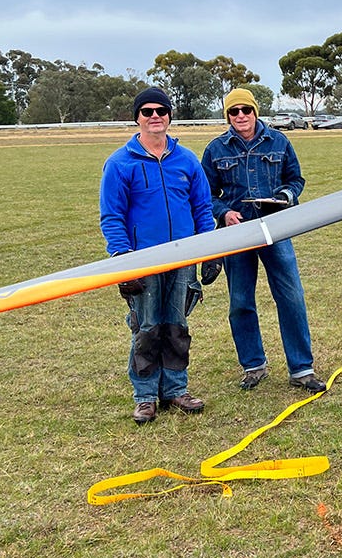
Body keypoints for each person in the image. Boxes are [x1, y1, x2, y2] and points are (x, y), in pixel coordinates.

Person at [100, 86, 215, 424]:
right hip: (143, 260)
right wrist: (124, 261)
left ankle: (176, 390)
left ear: (169, 117)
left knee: (177, 325)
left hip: (183, 259)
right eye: (147, 111)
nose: (154, 116)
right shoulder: (120, 164)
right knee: (147, 327)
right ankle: (146, 396)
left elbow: (202, 208)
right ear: (136, 117)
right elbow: (112, 216)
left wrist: (210, 250)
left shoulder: (187, 160)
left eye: (161, 111)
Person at [199, 88, 326, 394]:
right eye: (234, 111)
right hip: (237, 234)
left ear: (255, 111)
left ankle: (301, 369)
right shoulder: (216, 149)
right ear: (227, 116)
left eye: (246, 109)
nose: (240, 116)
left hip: (275, 229)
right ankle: (253, 366)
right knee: (240, 301)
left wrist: (285, 196)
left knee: (291, 296)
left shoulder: (279, 142)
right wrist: (225, 212)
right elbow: (205, 196)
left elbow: (295, 180)